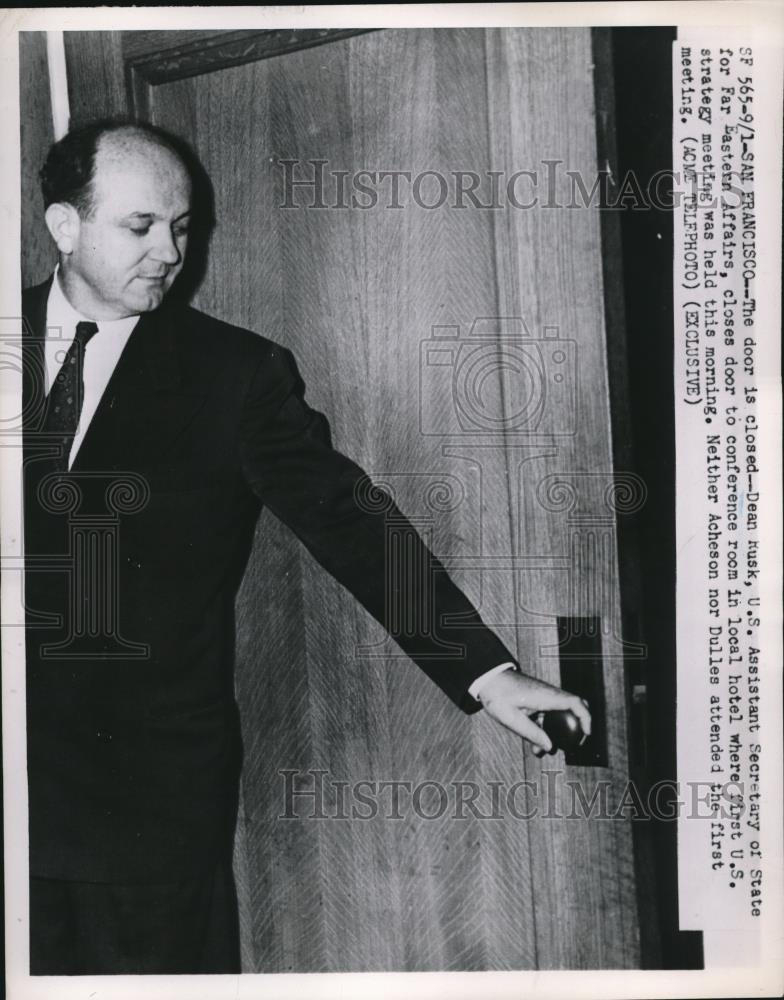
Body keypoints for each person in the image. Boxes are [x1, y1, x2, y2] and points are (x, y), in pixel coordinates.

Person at [22, 118, 591, 975]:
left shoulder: (234, 375)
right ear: (65, 226)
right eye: (140, 227)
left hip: (143, 805)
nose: (169, 252)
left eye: (181, 228)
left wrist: (486, 671)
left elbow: (350, 520)